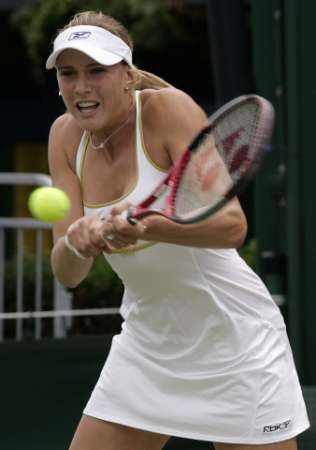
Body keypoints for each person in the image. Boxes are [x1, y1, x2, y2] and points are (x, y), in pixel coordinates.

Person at [46, 10, 309, 450]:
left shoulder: (167, 110)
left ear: (127, 76)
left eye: (96, 71)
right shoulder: (64, 137)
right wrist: (77, 241)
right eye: (68, 74)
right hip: (148, 343)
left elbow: (232, 226)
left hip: (235, 342)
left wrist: (151, 227)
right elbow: (67, 274)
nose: (81, 87)